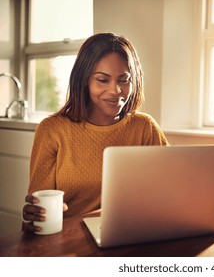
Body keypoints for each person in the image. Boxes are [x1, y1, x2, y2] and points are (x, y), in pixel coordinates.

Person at [22, 33, 169, 233]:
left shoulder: (144, 128)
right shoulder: (52, 130)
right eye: (103, 80)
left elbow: (170, 190)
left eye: (124, 80)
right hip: (69, 241)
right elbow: (36, 212)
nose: (116, 91)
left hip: (130, 234)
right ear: (84, 79)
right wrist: (34, 215)